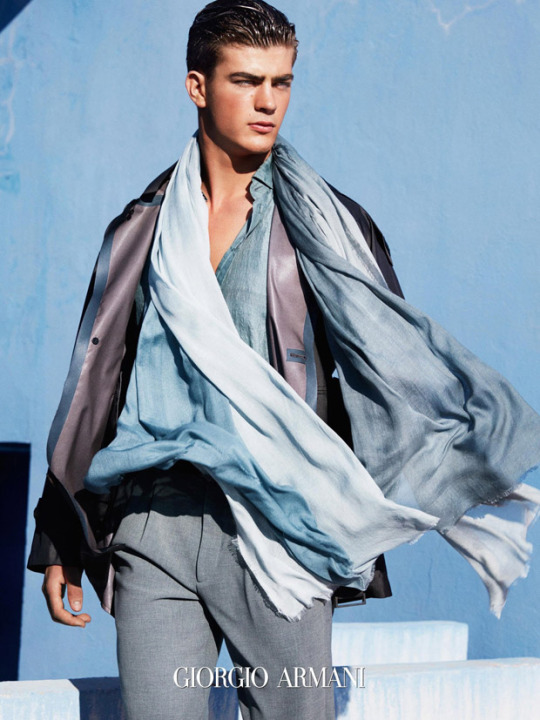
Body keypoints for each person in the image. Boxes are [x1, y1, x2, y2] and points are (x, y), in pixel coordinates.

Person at [27, 2, 540, 720]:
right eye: (246, 80)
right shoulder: (142, 228)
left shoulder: (327, 228)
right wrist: (60, 531)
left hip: (279, 532)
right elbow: (97, 381)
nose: (268, 101)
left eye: (282, 82)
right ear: (198, 86)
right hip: (153, 525)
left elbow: (391, 372)